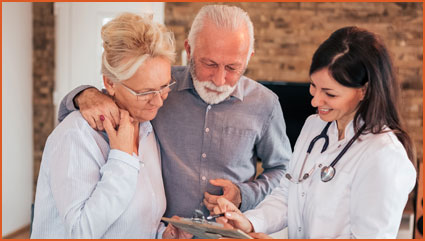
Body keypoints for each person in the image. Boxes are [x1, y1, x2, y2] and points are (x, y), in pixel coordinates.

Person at [57, 4, 292, 219]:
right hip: (163, 232)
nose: (220, 80)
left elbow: (283, 170)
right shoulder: (161, 88)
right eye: (209, 64)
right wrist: (83, 94)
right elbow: (117, 91)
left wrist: (244, 195)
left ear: (248, 58)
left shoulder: (265, 104)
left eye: (233, 67)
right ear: (189, 50)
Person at [212, 26, 417, 239]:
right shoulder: (315, 126)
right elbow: (286, 194)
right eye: (313, 86)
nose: (315, 101)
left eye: (329, 93)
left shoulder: (383, 155)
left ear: (364, 91)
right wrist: (250, 222)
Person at [31, 13, 190, 239]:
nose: (158, 100)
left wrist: (163, 234)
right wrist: (122, 157)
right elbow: (81, 232)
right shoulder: (76, 135)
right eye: (144, 92)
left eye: (164, 86)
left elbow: (131, 223)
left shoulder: (147, 129)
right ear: (109, 83)